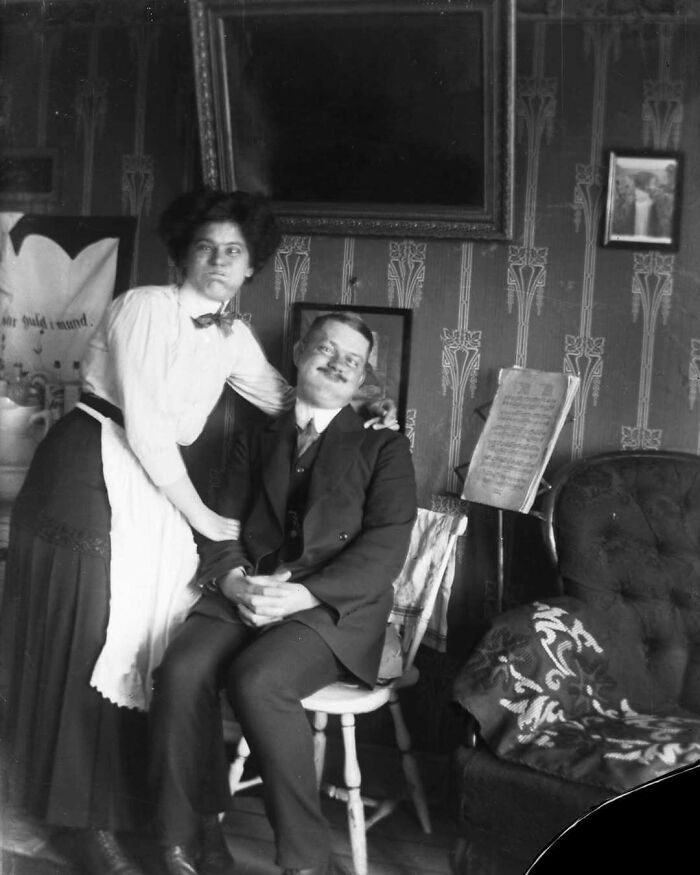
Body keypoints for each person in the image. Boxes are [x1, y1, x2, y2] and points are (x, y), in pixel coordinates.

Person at [0, 189, 396, 875]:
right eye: (206, 247)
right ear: (183, 253)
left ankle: (156, 816)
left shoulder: (232, 336)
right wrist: (203, 516)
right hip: (89, 471)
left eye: (234, 251)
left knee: (149, 641)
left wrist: (364, 410)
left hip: (150, 487)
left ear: (252, 266)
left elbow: (287, 397)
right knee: (90, 633)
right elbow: (149, 428)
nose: (219, 260)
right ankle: (82, 822)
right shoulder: (143, 307)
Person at [148, 311, 417, 875]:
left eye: (352, 360)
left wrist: (304, 596)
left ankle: (305, 859)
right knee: (181, 670)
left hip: (331, 610)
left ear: (362, 377)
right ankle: (187, 834)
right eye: (326, 349)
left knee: (260, 679)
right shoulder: (257, 439)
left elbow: (386, 548)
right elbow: (220, 526)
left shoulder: (384, 447)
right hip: (248, 591)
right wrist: (232, 580)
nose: (337, 364)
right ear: (299, 353)